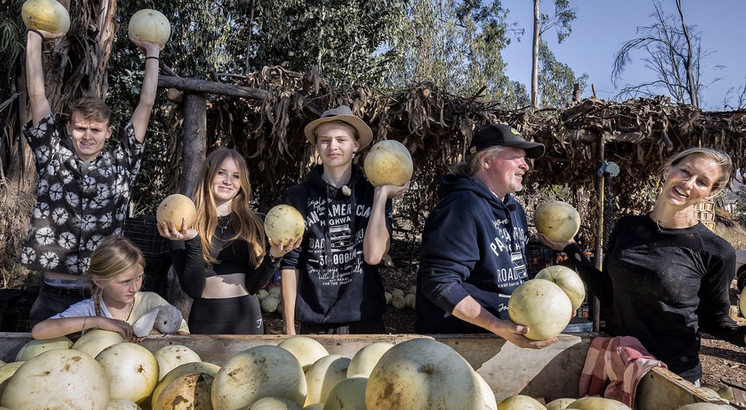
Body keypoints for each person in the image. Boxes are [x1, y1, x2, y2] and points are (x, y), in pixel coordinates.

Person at [540, 147, 746, 384]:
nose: (688, 183)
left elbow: (715, 319)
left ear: (710, 193)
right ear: (669, 169)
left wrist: (742, 336)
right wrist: (570, 248)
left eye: (702, 181)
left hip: (672, 374)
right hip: (618, 362)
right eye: (685, 171)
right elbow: (608, 293)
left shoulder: (715, 250)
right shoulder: (627, 227)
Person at [21, 25, 160, 324]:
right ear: (69, 129)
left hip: (100, 299)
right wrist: (33, 37)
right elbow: (36, 94)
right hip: (51, 297)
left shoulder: (122, 163)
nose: (87, 135)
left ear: (108, 132)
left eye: (95, 129)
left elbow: (145, 105)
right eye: (81, 128)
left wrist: (153, 53)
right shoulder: (52, 157)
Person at [415, 123, 556, 349]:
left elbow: (511, 277)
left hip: (500, 338)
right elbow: (439, 283)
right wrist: (495, 325)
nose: (526, 166)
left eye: (525, 158)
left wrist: (551, 305)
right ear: (486, 161)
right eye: (515, 157)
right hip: (458, 344)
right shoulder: (461, 208)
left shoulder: (515, 210)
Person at [279, 106, 409, 335]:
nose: (333, 146)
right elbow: (290, 264)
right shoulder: (298, 197)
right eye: (325, 140)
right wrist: (289, 329)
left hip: (366, 320)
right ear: (317, 146)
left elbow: (374, 255)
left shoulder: (374, 194)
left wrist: (380, 197)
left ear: (355, 146)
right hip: (315, 324)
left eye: (341, 139)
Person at [157, 148, 299, 334]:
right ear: (208, 174)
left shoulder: (256, 223)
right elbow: (194, 289)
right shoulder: (184, 223)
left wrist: (274, 257)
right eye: (221, 173)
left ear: (242, 182)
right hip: (206, 321)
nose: (228, 181)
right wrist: (192, 241)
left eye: (235, 176)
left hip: (249, 320)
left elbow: (253, 286)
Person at [31, 236, 189, 340]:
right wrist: (98, 321)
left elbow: (185, 337)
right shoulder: (89, 310)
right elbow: (39, 331)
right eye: (125, 282)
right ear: (99, 281)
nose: (135, 287)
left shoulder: (153, 302)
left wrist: (156, 335)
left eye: (139, 277)